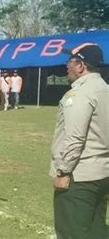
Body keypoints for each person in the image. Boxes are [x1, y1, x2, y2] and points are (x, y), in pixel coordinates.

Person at [50, 44, 109, 239]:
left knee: (71, 232)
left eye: (70, 61)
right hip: (102, 173)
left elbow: (74, 138)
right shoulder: (104, 89)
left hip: (79, 177)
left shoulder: (80, 94)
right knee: (96, 230)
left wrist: (63, 171)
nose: (67, 66)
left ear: (81, 66)